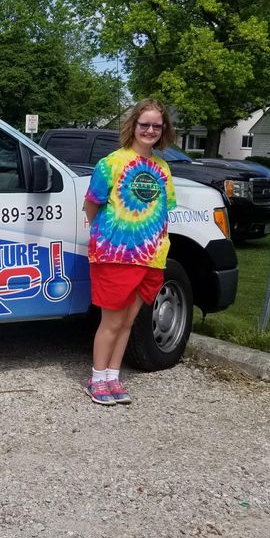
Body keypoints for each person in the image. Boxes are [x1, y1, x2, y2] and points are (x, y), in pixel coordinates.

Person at [82, 98, 177, 405]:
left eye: (156, 126)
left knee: (127, 321)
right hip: (115, 255)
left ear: (163, 131)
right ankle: (96, 379)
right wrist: (113, 236)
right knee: (110, 321)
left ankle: (113, 376)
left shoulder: (162, 169)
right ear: (133, 125)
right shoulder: (110, 164)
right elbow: (91, 205)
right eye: (144, 124)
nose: (149, 130)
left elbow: (164, 211)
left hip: (151, 257)